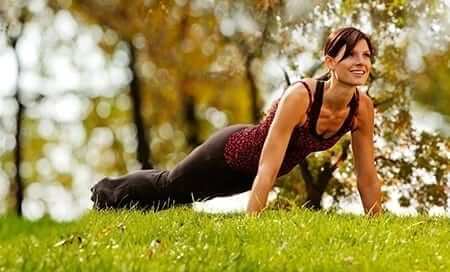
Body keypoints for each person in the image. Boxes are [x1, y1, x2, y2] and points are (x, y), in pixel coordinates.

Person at [90, 26, 382, 216]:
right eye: (351, 55)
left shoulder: (361, 109)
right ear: (330, 62)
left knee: (178, 200)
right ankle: (105, 192)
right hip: (230, 153)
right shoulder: (302, 96)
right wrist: (253, 221)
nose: (361, 62)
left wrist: (376, 225)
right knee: (170, 186)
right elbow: (269, 161)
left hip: (247, 176)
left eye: (366, 55)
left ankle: (120, 211)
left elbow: (366, 175)